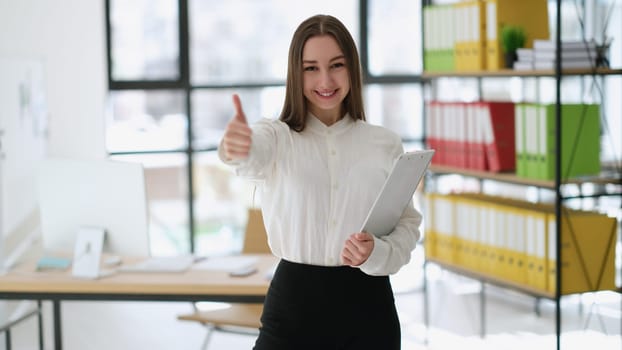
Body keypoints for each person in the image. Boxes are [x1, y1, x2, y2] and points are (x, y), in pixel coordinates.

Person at [219, 14, 421, 350]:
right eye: (310, 67)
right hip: (294, 306)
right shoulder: (277, 137)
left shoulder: (384, 143)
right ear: (295, 74)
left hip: (368, 308)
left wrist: (378, 251)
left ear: (352, 68)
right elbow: (251, 152)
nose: (325, 79)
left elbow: (407, 227)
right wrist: (237, 145)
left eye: (336, 65)